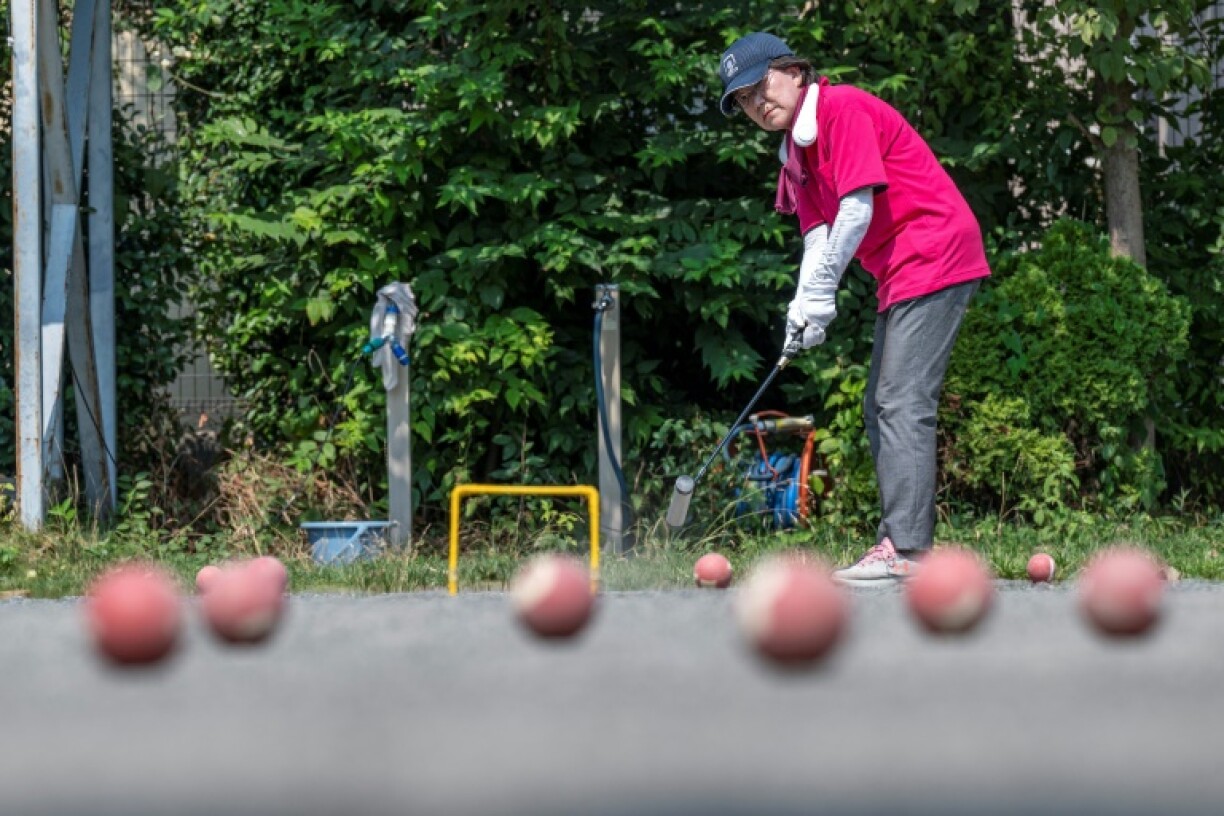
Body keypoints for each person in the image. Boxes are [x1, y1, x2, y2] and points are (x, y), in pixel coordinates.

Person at [717, 32, 991, 585]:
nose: (756, 104)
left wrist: (822, 292)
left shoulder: (840, 109)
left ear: (794, 71)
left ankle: (909, 551)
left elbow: (857, 209)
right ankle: (900, 543)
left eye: (760, 85)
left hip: (935, 249)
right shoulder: (796, 148)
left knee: (901, 400)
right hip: (901, 269)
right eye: (743, 100)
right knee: (879, 405)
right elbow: (819, 234)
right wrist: (804, 307)